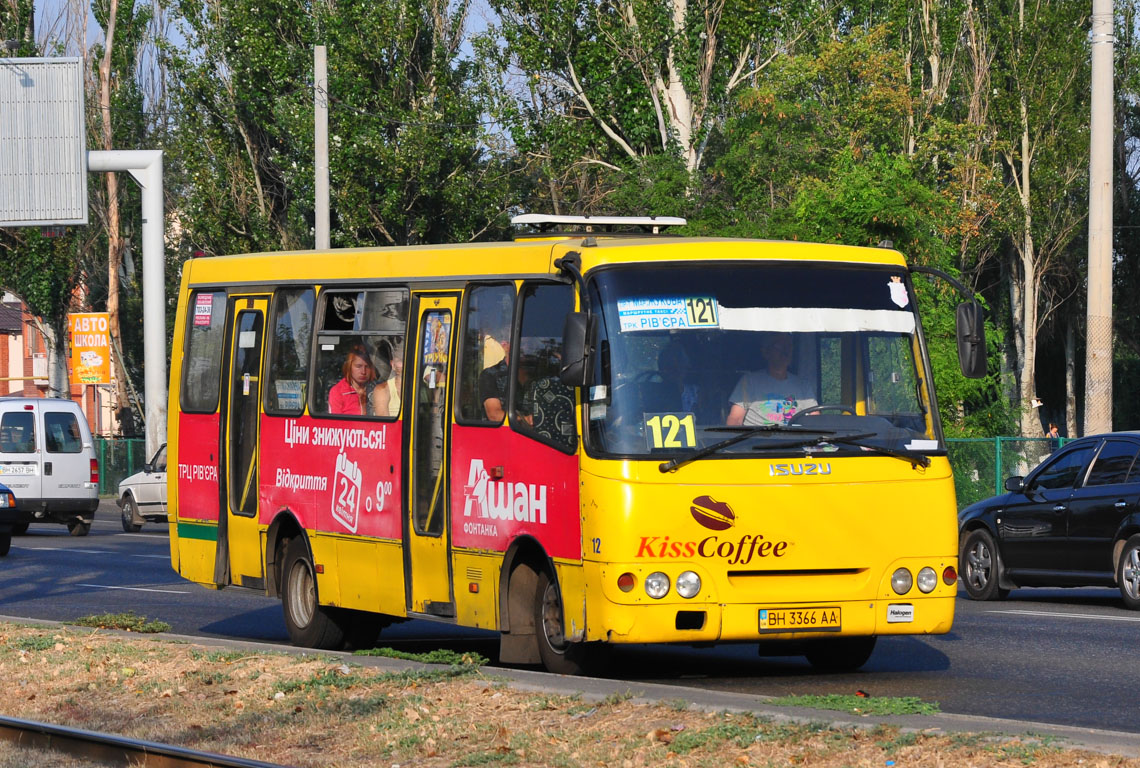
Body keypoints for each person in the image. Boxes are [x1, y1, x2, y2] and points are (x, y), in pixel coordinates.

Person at [727, 332, 817, 426]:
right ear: (766, 352)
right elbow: (735, 419)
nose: (785, 351)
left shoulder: (803, 385)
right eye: (779, 346)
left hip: (796, 440)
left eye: (789, 346)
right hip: (757, 439)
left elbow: (815, 421)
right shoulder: (749, 381)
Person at [328, 344, 383, 415]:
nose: (363, 371)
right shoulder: (338, 391)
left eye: (367, 367)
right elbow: (335, 423)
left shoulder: (378, 389)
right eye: (358, 366)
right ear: (349, 366)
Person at [478, 330, 512, 422]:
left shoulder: (537, 375)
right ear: (505, 345)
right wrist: (526, 420)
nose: (527, 348)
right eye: (523, 343)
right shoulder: (490, 375)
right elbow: (495, 416)